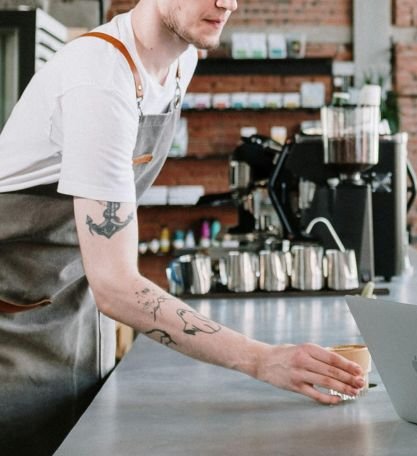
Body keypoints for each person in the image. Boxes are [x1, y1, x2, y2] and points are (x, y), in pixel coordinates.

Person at [0, 1, 363, 454]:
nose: (227, 4)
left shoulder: (181, 61)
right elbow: (115, 284)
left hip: (70, 306)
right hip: (11, 326)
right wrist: (261, 358)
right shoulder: (100, 79)